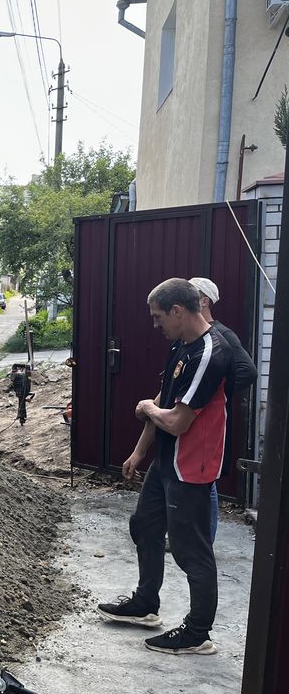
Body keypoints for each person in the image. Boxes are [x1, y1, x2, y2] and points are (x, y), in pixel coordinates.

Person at [97, 278, 230, 656]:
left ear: (178, 311)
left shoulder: (209, 354)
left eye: (158, 317)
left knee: (192, 551)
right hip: (166, 461)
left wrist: (146, 409)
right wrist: (140, 451)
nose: (155, 325)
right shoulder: (180, 345)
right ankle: (145, 604)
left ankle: (198, 633)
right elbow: (164, 400)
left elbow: (175, 420)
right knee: (145, 525)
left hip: (192, 466)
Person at [187, 277, 258, 542]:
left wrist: (215, 392)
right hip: (193, 418)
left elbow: (248, 372)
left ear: (204, 301)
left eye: (190, 293)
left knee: (207, 481)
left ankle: (205, 542)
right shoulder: (194, 335)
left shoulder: (222, 335)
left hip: (208, 422)